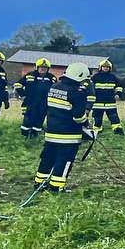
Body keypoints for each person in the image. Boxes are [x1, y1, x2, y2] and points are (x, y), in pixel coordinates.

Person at [35, 62, 91, 194]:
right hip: (69, 136)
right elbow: (78, 117)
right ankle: (56, 187)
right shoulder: (77, 93)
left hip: (51, 133)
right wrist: (86, 123)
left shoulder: (54, 87)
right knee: (64, 161)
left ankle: (39, 184)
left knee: (47, 159)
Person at [16, 58, 55, 138]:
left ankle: (34, 136)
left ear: (48, 69)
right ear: (37, 68)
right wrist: (23, 94)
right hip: (30, 102)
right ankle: (24, 136)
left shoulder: (52, 78)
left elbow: (55, 89)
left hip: (44, 103)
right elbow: (17, 85)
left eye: (45, 68)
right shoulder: (30, 75)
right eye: (41, 67)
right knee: (28, 120)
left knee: (39, 120)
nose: (43, 69)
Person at [88, 59, 125, 134]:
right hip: (98, 103)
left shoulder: (113, 77)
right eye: (104, 67)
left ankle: (117, 129)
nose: (106, 68)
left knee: (114, 117)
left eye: (107, 67)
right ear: (100, 68)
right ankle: (97, 131)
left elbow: (119, 85)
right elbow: (90, 87)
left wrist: (118, 94)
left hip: (110, 102)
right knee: (97, 118)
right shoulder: (95, 77)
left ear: (110, 68)